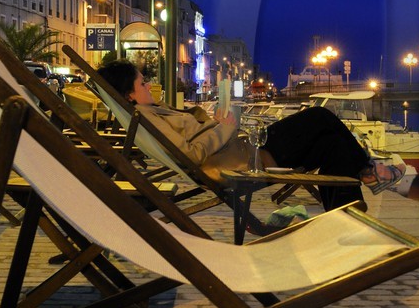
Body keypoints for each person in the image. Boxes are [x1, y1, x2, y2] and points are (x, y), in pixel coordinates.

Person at [97, 58, 397, 210]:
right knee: (320, 116)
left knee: (332, 144)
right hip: (247, 161)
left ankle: (345, 212)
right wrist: (225, 127)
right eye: (142, 84)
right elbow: (190, 154)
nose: (149, 85)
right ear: (130, 95)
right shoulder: (149, 119)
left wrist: (215, 122)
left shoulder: (148, 115)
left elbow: (192, 141)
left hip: (243, 152)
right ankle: (368, 171)